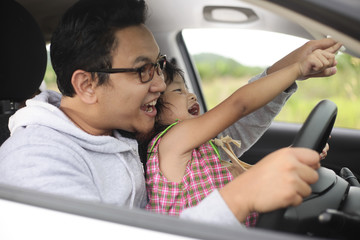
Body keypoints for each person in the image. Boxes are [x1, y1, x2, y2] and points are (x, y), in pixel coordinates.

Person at [0, 0, 339, 227]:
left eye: (159, 66)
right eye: (143, 70)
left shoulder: (123, 127)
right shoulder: (35, 161)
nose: (160, 84)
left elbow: (222, 136)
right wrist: (240, 197)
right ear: (87, 85)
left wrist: (296, 62)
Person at [144, 43, 338, 225]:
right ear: (153, 104)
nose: (192, 96)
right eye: (178, 91)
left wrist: (292, 155)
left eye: (187, 89)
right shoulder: (171, 142)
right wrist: (297, 69)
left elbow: (247, 180)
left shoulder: (204, 148)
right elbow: (240, 105)